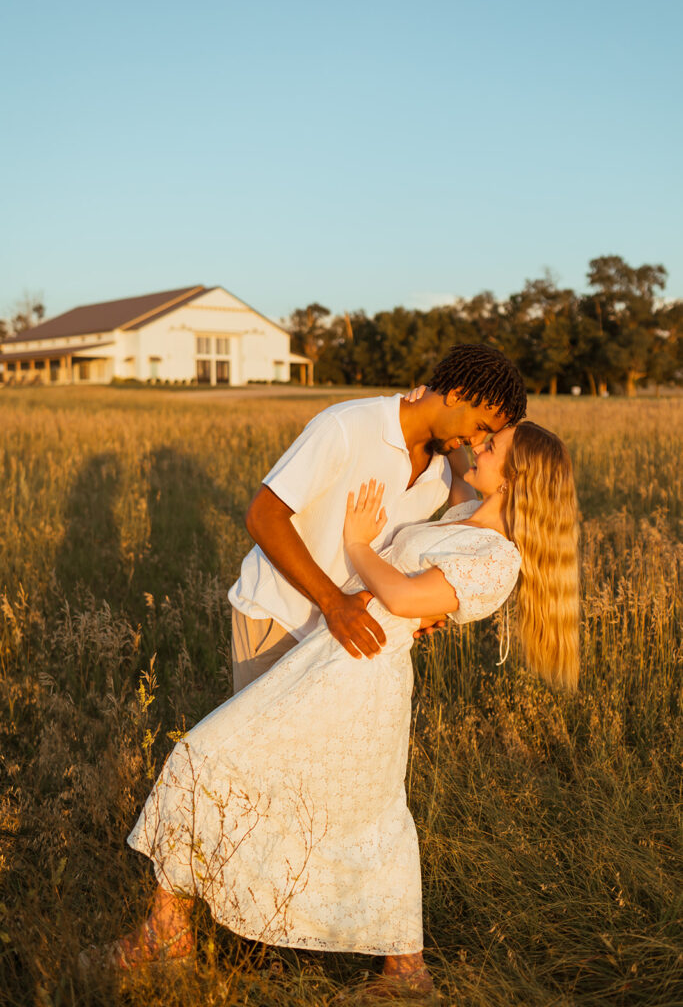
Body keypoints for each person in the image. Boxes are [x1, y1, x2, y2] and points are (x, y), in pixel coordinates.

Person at [82, 420, 580, 1001]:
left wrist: (357, 546)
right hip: (330, 660)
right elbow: (449, 457)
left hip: (360, 676)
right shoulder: (464, 515)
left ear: (516, 477)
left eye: (492, 446)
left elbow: (402, 597)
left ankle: (172, 937)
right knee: (355, 810)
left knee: (222, 765)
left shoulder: (497, 559)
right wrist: (440, 416)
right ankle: (398, 967)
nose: (479, 445)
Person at [229, 343, 527, 692]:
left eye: (487, 437)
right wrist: (333, 603)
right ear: (457, 393)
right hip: (281, 618)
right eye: (478, 426)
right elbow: (263, 515)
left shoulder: (444, 467)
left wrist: (410, 610)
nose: (476, 443)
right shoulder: (348, 426)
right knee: (261, 743)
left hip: (347, 638)